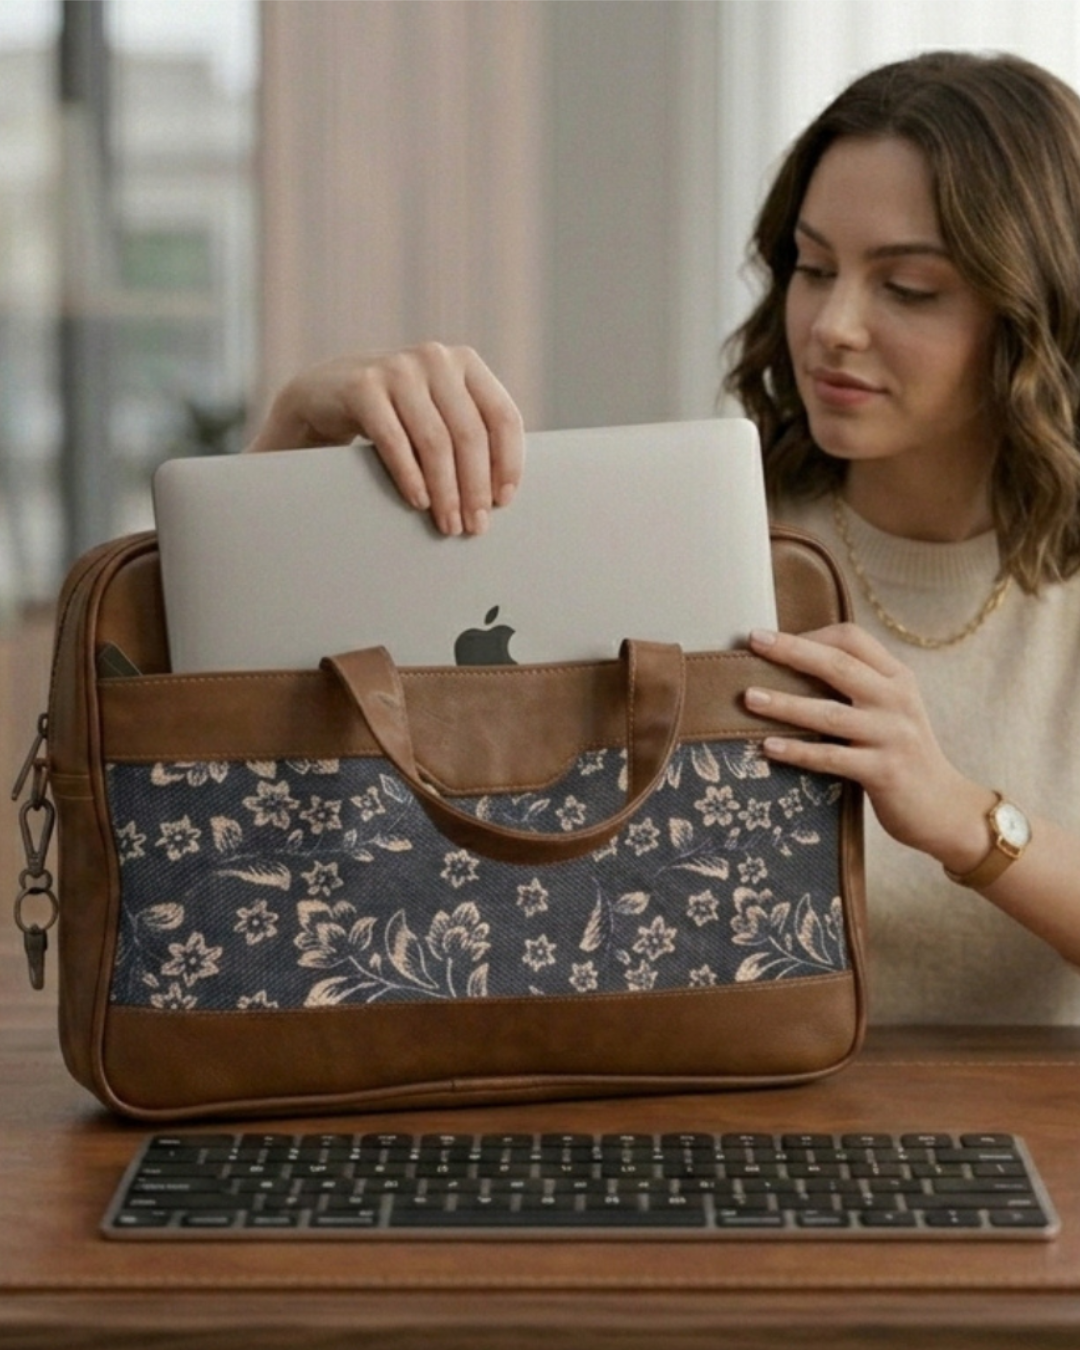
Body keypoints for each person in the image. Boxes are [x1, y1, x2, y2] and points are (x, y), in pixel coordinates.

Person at [246, 51, 1080, 1025]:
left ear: (1036, 317)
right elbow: (274, 755)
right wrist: (296, 435)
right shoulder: (687, 539)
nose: (833, 325)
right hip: (698, 1122)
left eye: (908, 288)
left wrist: (960, 818)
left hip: (1018, 1148)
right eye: (812, 269)